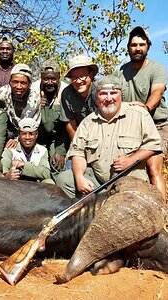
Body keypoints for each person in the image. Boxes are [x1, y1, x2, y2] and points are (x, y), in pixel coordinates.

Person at [56, 75, 163, 199]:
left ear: (120, 94)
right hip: (98, 183)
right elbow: (78, 153)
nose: (108, 98)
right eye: (103, 94)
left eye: (113, 93)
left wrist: (131, 160)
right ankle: (92, 209)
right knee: (64, 179)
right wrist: (80, 177)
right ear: (96, 97)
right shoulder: (87, 122)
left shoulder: (140, 114)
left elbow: (153, 145)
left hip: (130, 181)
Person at [113, 26, 168, 200]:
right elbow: (110, 94)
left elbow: (157, 93)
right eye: (134, 44)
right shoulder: (120, 71)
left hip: (158, 125)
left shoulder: (156, 69)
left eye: (142, 44)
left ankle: (161, 216)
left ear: (148, 47)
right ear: (128, 47)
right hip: (131, 127)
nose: (138, 48)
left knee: (153, 167)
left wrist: (144, 108)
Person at [0, 63, 41, 147]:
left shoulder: (35, 99)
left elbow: (33, 126)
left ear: (29, 84)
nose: (18, 86)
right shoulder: (3, 92)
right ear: (10, 82)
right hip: (4, 129)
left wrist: (17, 139)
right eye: (15, 82)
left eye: (23, 83)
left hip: (24, 135)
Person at [31, 59, 69, 175]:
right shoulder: (33, 89)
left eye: (53, 79)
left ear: (59, 77)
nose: (49, 82)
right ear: (41, 78)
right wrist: (38, 106)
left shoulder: (66, 91)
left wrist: (60, 151)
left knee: (57, 164)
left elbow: (67, 125)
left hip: (58, 136)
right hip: (37, 135)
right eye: (46, 79)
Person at [1, 118, 53, 183]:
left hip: (36, 185)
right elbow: (3, 171)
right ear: (19, 135)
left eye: (31, 134)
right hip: (16, 184)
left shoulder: (42, 150)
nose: (27, 137)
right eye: (24, 134)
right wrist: (7, 175)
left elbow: (46, 173)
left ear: (36, 135)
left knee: (49, 182)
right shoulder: (11, 148)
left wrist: (24, 165)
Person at [60, 55, 99, 142]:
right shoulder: (67, 94)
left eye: (82, 76)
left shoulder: (102, 89)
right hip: (82, 136)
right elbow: (70, 124)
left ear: (91, 74)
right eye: (74, 77)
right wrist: (77, 146)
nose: (78, 81)